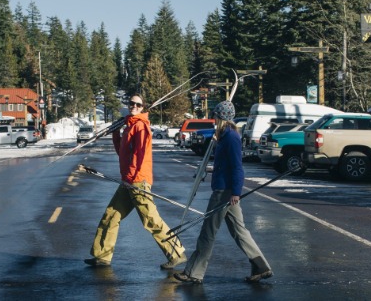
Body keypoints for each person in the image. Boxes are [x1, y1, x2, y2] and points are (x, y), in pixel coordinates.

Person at [173, 100, 273, 284]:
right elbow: (226, 165)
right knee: (239, 232)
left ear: (220, 117)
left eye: (215, 115)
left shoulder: (231, 137)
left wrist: (235, 192)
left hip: (224, 192)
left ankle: (194, 272)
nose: (212, 118)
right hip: (225, 188)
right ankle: (261, 266)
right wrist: (210, 169)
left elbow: (237, 167)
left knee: (207, 232)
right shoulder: (224, 135)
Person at [85, 93, 187, 269]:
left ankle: (177, 253)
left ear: (143, 108)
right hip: (129, 180)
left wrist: (131, 179)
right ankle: (102, 256)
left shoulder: (140, 126)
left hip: (137, 180)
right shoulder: (129, 126)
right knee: (111, 215)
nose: (133, 106)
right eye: (131, 103)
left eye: (138, 105)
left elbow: (139, 156)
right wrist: (116, 134)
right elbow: (123, 154)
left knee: (150, 219)